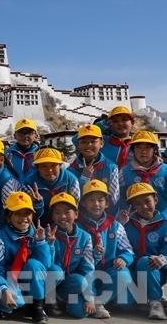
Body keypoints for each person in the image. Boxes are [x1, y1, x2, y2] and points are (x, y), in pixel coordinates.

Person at [0, 191, 50, 323]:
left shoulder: (37, 234)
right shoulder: (0, 237)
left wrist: (40, 242)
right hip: (8, 278)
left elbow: (45, 265)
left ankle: (37, 306)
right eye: (17, 213)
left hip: (27, 277)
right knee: (15, 302)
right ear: (8, 217)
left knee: (35, 264)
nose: (23, 218)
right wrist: (3, 290)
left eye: (27, 213)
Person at [76, 180, 133, 319]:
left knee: (124, 276)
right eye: (91, 200)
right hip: (83, 275)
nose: (96, 204)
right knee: (78, 311)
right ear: (83, 202)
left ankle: (99, 302)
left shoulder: (115, 225)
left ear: (107, 203)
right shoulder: (76, 226)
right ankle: (90, 300)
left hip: (107, 273)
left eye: (100, 200)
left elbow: (128, 250)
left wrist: (123, 258)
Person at [120, 183, 167, 319]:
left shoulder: (164, 225)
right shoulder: (127, 223)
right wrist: (120, 224)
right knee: (125, 303)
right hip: (133, 272)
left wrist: (163, 259)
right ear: (132, 206)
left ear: (155, 200)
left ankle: (155, 302)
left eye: (147, 201)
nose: (144, 207)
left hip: (155, 272)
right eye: (138, 204)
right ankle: (142, 298)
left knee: (146, 261)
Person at [46, 192, 95, 318]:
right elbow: (45, 264)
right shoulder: (46, 233)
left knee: (80, 311)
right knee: (56, 271)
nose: (62, 216)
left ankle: (59, 300)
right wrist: (50, 244)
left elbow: (88, 268)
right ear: (52, 216)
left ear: (76, 214)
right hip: (49, 280)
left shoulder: (85, 237)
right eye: (57, 212)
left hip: (68, 281)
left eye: (67, 212)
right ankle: (47, 300)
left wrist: (89, 298)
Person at [68, 124, 120, 210]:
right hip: (80, 216)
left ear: (101, 143)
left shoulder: (111, 168)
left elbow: (114, 199)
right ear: (78, 145)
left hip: (105, 216)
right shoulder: (71, 170)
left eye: (93, 141)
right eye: (83, 142)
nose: (88, 145)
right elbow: (72, 200)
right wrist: (84, 178)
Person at [23, 148, 80, 225]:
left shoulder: (71, 180)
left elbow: (75, 208)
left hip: (64, 222)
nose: (49, 170)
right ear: (37, 167)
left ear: (60, 165)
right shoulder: (29, 184)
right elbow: (29, 214)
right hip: (39, 224)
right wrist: (37, 204)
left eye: (53, 165)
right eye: (44, 166)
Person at [119, 131, 167, 213]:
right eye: (138, 147)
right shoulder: (124, 172)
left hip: (164, 218)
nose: (143, 151)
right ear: (132, 150)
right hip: (135, 219)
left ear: (155, 150)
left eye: (148, 147)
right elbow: (120, 198)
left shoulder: (165, 170)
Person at [5, 119, 40, 186]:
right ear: (15, 136)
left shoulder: (40, 154)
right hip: (13, 190)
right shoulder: (7, 155)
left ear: (36, 136)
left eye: (29, 133)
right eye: (21, 133)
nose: (25, 136)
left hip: (35, 190)